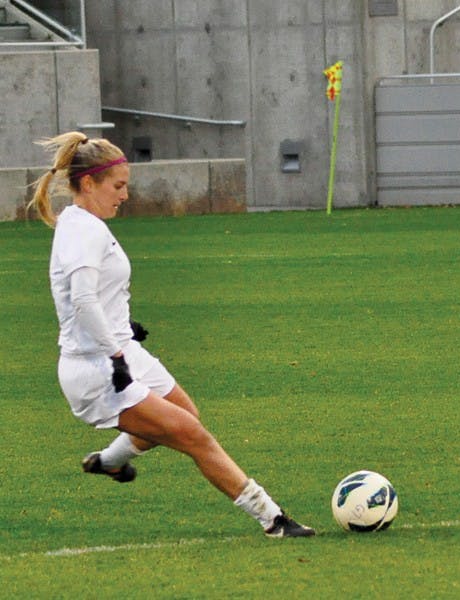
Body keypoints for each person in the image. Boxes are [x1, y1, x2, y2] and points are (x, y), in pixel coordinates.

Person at [30, 131, 315, 536]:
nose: (125, 196)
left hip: (118, 350)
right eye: (119, 186)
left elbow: (94, 298)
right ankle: (273, 518)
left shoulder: (84, 224)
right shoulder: (83, 230)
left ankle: (109, 462)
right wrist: (114, 356)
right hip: (97, 368)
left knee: (187, 415)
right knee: (193, 436)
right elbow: (81, 300)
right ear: (89, 183)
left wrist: (122, 327)